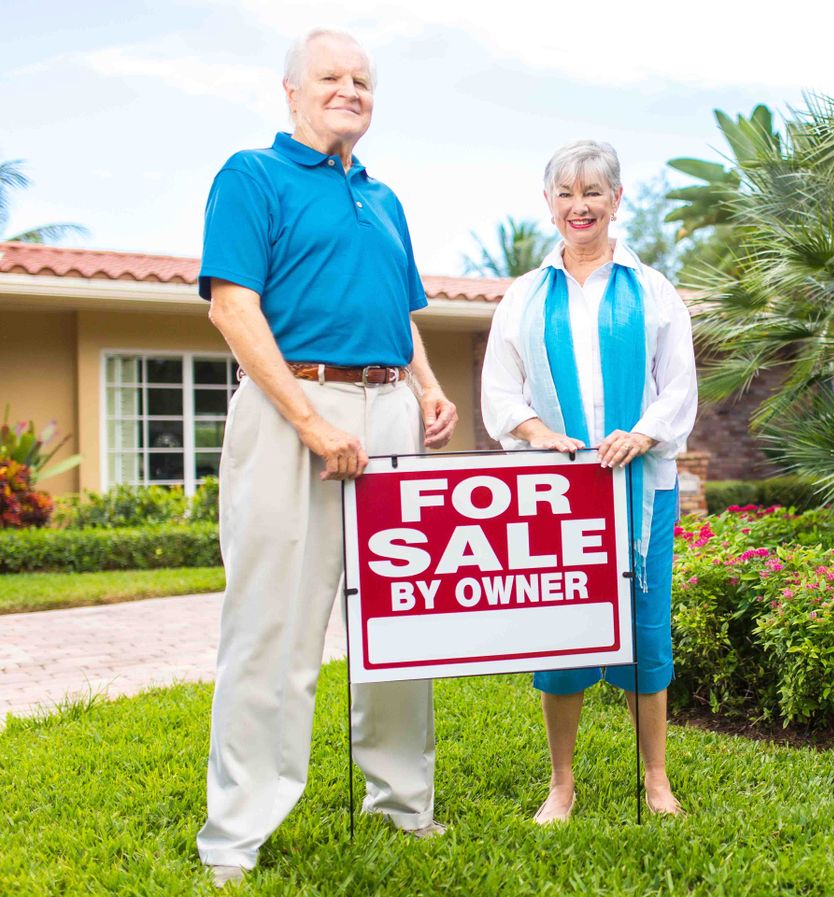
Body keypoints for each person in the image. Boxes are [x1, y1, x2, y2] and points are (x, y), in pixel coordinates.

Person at [194, 28, 458, 886]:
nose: (350, 90)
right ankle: (236, 835)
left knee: (398, 626)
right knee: (273, 629)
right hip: (291, 416)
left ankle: (404, 803)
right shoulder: (251, 177)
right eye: (332, 77)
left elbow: (401, 310)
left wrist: (425, 387)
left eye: (363, 81)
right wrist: (313, 423)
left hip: (388, 415)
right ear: (291, 92)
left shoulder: (383, 200)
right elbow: (234, 311)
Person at [481, 139, 698, 822]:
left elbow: (679, 386)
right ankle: (562, 781)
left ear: (617, 200)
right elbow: (499, 390)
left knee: (646, 630)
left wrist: (642, 432)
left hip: (643, 490)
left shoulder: (653, 291)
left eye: (593, 193)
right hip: (559, 494)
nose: (581, 206)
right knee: (563, 633)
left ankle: (657, 777)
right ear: (549, 203)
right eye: (567, 194)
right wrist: (542, 434)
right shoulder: (524, 296)